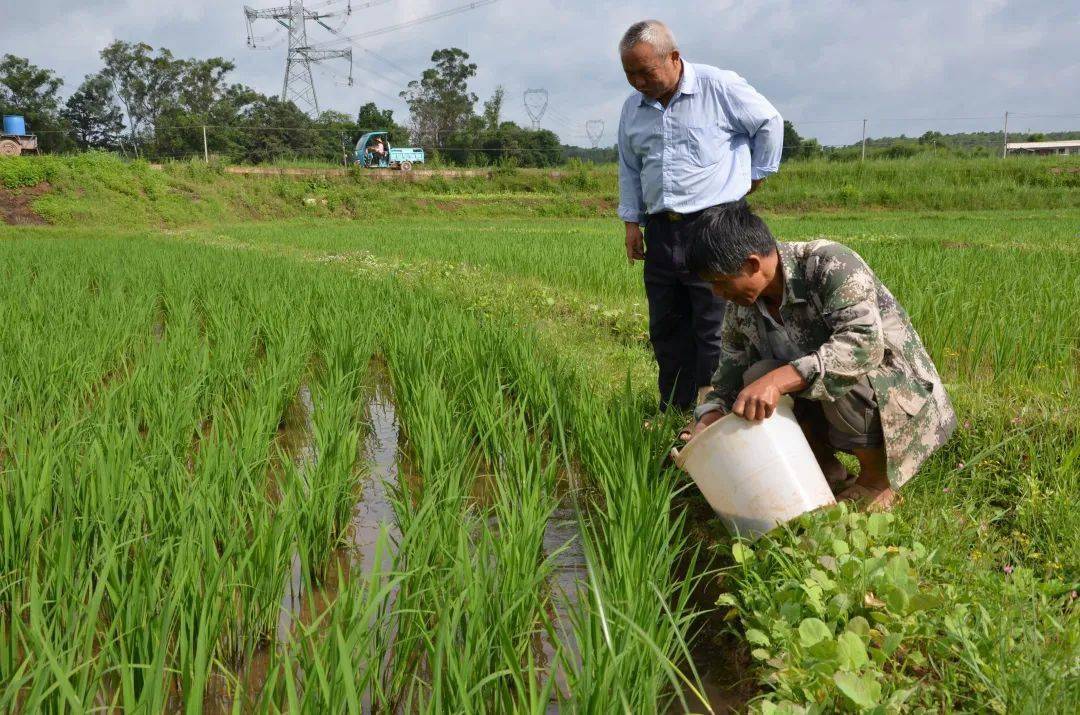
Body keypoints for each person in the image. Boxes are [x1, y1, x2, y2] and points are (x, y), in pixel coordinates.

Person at [685, 203, 956, 509]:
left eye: (720, 282)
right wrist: (709, 415)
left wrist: (778, 380)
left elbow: (862, 345)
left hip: (898, 392)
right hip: (835, 403)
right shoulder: (741, 308)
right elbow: (727, 378)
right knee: (754, 377)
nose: (717, 294)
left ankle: (877, 480)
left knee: (826, 371)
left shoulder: (828, 263)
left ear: (752, 264)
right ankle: (826, 469)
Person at [617, 20, 783, 420]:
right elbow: (629, 166)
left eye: (646, 72)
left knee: (713, 325)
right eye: (630, 75)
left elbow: (769, 122)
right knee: (666, 323)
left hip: (712, 225)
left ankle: (713, 412)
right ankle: (673, 408)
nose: (638, 81)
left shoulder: (718, 86)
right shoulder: (632, 108)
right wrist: (631, 223)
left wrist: (756, 174)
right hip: (661, 228)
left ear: (674, 58)